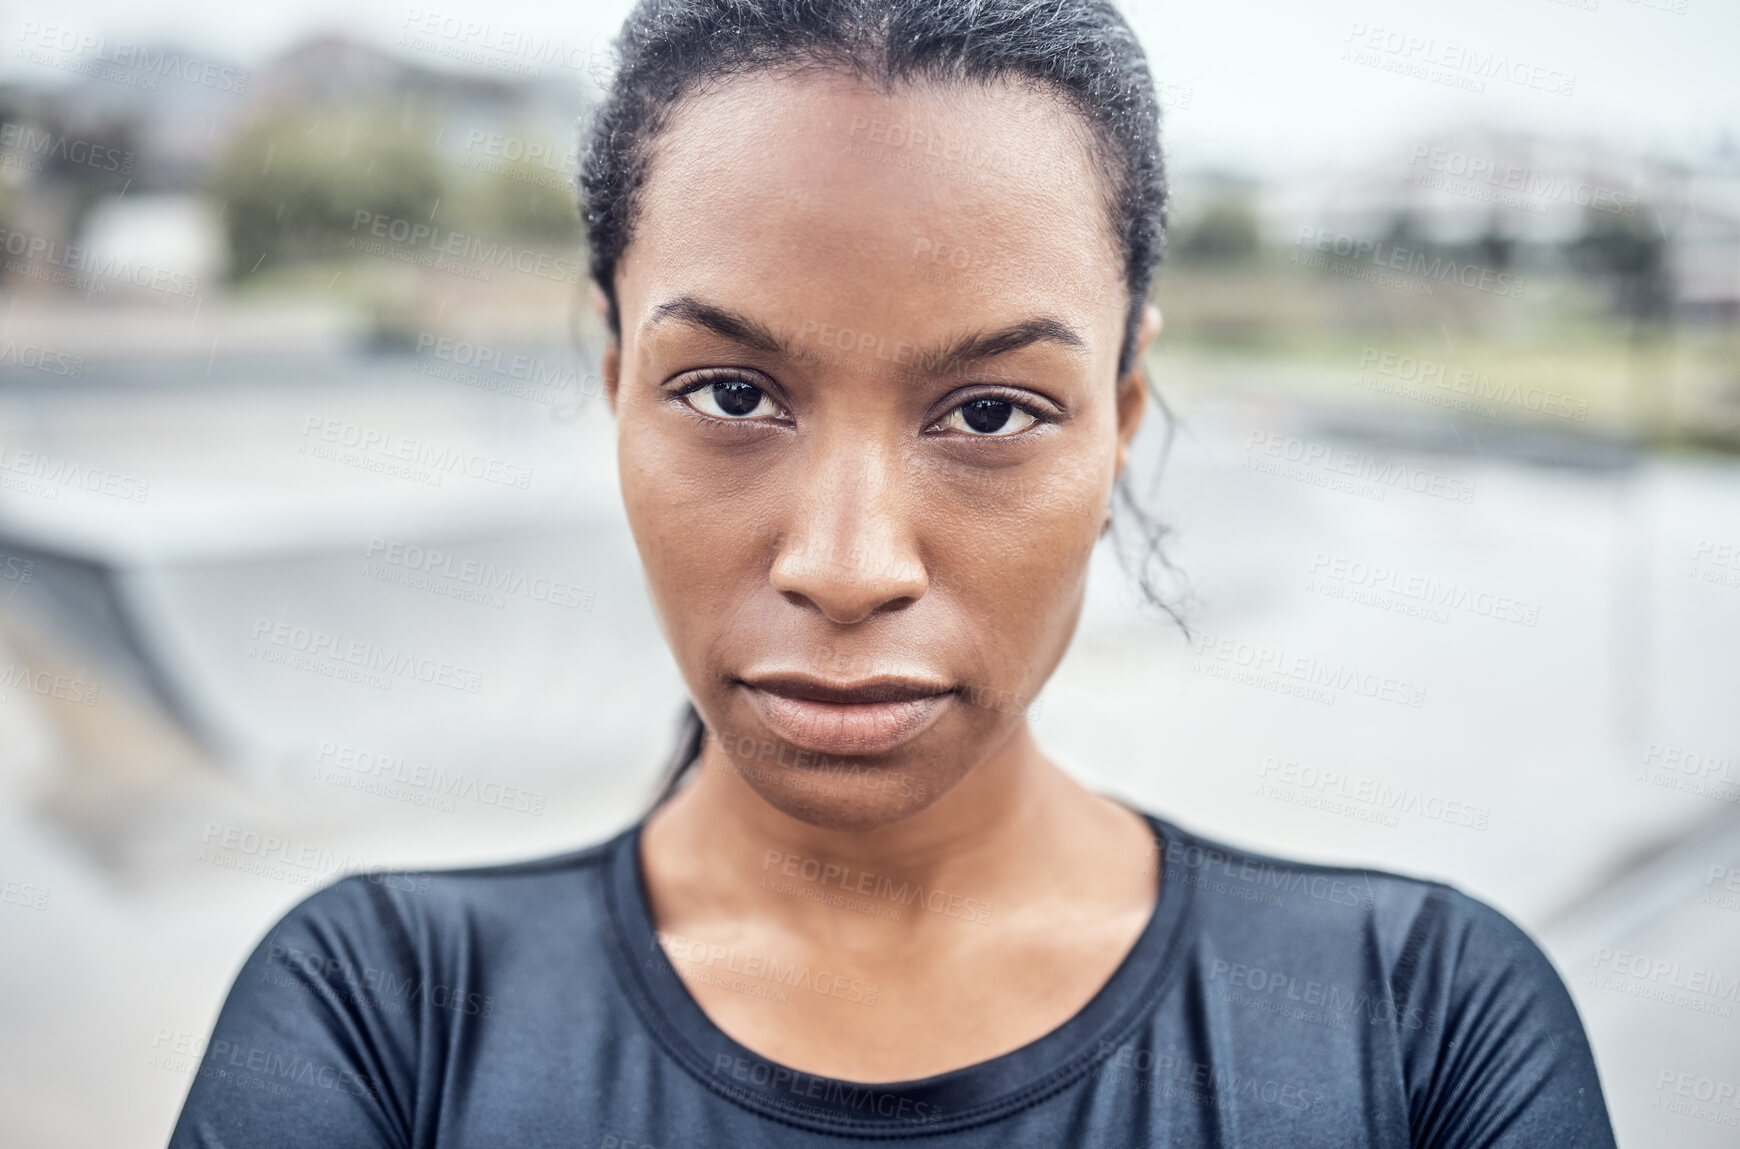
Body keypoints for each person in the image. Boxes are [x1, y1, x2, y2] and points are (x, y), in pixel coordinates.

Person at [170, 1, 1617, 1145]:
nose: (848, 565)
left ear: (1119, 415)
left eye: (990, 412)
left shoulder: (1416, 1027)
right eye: (731, 393)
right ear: (616, 383)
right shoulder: (390, 1017)